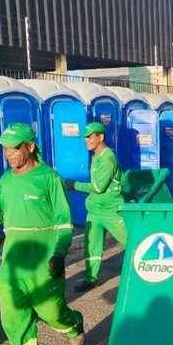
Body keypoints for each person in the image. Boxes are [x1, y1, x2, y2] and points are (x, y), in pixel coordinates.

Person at [0, 123, 85, 345]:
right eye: (5, 149)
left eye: (14, 148)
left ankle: (73, 325)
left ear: (30, 147)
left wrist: (59, 254)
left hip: (43, 263)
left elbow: (64, 223)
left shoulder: (49, 177)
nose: (8, 153)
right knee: (14, 321)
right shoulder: (5, 180)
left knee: (52, 313)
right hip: (12, 266)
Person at [65, 122, 127, 292]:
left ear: (101, 137)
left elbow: (99, 187)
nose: (86, 140)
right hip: (95, 210)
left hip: (111, 211)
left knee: (130, 242)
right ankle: (90, 279)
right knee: (92, 246)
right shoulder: (95, 156)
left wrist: (73, 184)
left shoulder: (108, 158)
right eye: (85, 137)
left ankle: (147, 270)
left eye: (90, 137)